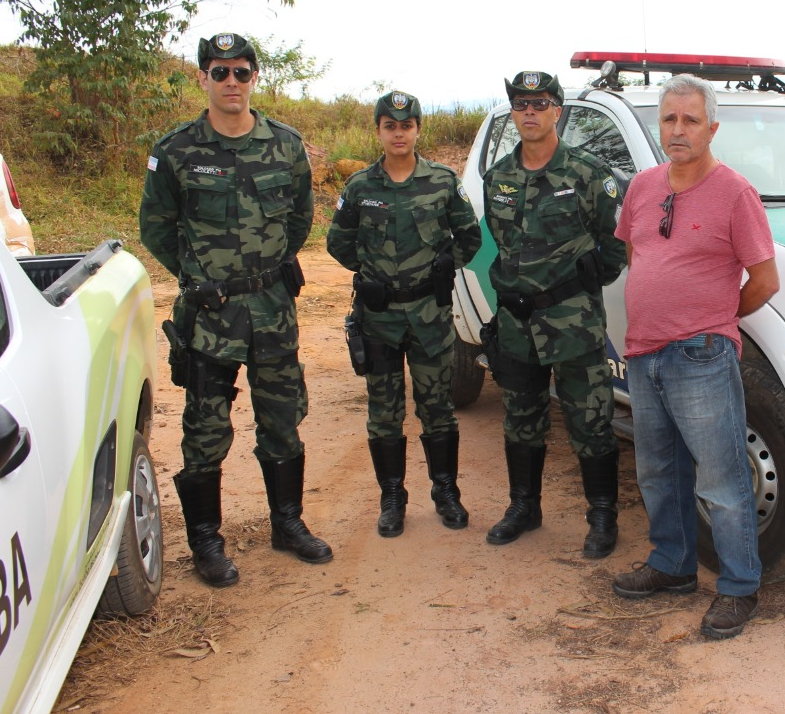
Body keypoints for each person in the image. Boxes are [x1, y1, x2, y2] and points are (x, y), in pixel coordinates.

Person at [140, 32, 332, 588]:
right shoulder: (176, 151)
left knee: (282, 417)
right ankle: (206, 541)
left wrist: (266, 269)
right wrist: (199, 277)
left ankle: (287, 524)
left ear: (254, 78)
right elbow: (156, 226)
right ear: (202, 77)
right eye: (219, 72)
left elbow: (299, 219)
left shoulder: (286, 144)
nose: (231, 82)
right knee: (205, 427)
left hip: (272, 307)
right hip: (209, 313)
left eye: (241, 72)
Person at [611, 73, 780, 640]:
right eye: (668, 119)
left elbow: (766, 280)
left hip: (701, 355)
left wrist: (715, 319)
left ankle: (738, 587)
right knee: (658, 471)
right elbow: (638, 254)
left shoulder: (736, 193)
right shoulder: (642, 187)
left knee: (723, 478)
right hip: (644, 353)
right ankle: (672, 566)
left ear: (712, 127)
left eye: (689, 120)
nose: (677, 130)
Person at [482, 70, 627, 557]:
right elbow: (501, 249)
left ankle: (602, 516)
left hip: (573, 324)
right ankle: (524, 507)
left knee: (591, 419)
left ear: (556, 111)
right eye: (521, 104)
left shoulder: (588, 174)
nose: (529, 112)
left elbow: (614, 247)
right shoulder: (497, 177)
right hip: (516, 325)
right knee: (520, 418)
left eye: (539, 104)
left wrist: (576, 289)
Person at [327, 90, 481, 537]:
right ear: (378, 130)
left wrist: (444, 264)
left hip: (430, 313)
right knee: (384, 410)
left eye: (406, 125)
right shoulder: (360, 187)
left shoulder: (442, 181)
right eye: (390, 126)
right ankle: (392, 497)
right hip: (379, 316)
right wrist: (366, 271)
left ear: (418, 129)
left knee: (437, 407)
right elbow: (338, 242)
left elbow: (469, 236)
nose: (399, 134)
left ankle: (446, 491)